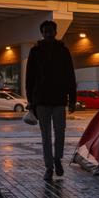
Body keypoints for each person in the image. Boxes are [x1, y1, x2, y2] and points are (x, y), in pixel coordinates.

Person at [25, 20, 77, 181]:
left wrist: (72, 99)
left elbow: (70, 75)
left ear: (56, 32)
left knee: (60, 132)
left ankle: (57, 159)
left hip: (59, 100)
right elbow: (29, 78)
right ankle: (49, 167)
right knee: (45, 136)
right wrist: (30, 101)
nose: (48, 34)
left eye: (50, 31)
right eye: (45, 31)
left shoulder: (63, 51)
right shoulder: (35, 51)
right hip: (41, 101)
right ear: (42, 33)